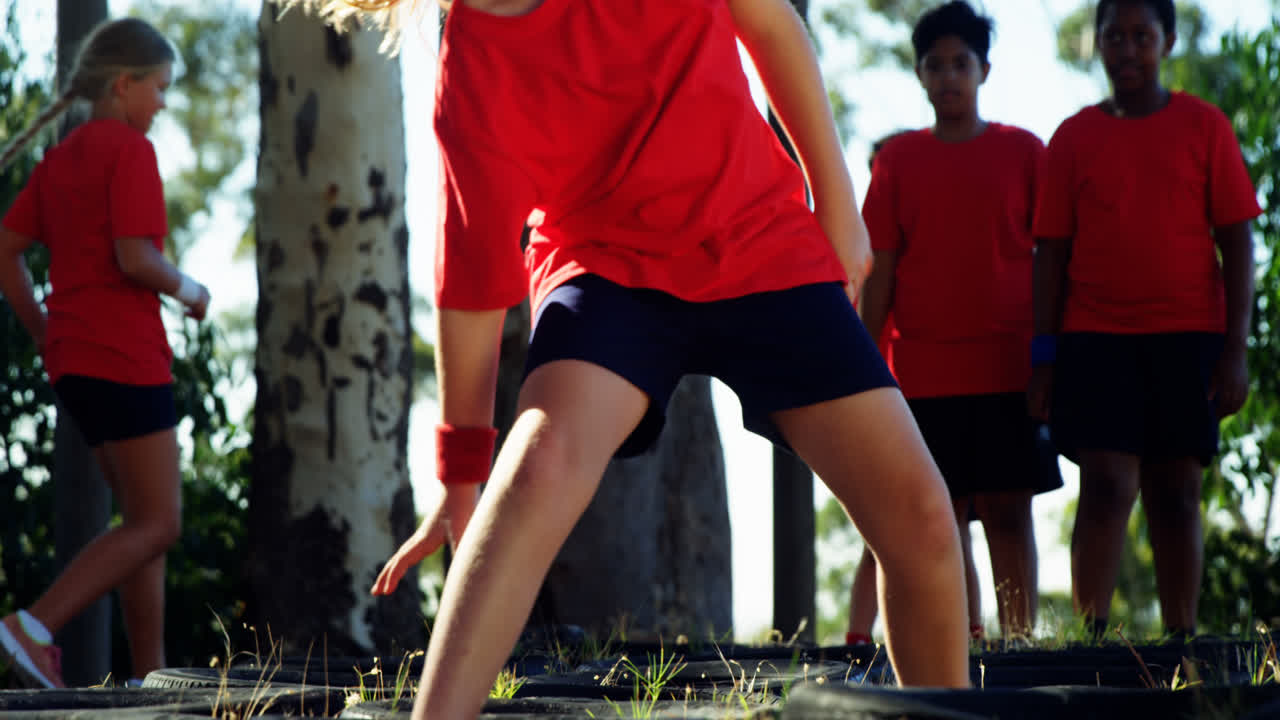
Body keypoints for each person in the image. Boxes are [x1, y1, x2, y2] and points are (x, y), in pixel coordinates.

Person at [320, 0, 973, 715]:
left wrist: (837, 205)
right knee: (539, 465)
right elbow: (472, 283)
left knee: (920, 515)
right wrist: (460, 472)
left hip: (756, 236)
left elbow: (770, 24)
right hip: (605, 270)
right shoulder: (472, 68)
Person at [1030, 0, 1259, 639]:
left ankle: (1182, 644)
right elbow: (1050, 251)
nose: (1127, 49)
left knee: (1177, 493)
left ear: (1168, 40)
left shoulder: (1204, 126)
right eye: (1113, 36)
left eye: (1141, 35)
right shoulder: (1073, 136)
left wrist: (1234, 349)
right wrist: (1043, 357)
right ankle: (1089, 643)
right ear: (1095, 45)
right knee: (1104, 486)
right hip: (1096, 340)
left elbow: (1238, 240)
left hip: (1189, 339)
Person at [0, 18, 210, 688]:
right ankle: (30, 627)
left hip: (75, 366)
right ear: (124, 86)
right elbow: (135, 256)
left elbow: (5, 252)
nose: (163, 103)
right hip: (125, 358)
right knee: (160, 523)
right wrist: (192, 289)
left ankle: (151, 678)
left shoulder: (60, 159)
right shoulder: (130, 151)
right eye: (158, 88)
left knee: (139, 525)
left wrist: (41, 327)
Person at [855, 0, 1063, 643]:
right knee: (937, 515)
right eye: (935, 65)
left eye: (961, 64)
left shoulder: (1026, 152)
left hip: (1008, 364)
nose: (949, 76)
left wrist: (1048, 358)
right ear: (919, 74)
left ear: (985, 70)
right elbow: (880, 272)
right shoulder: (896, 164)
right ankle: (955, 644)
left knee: (1008, 511)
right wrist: (861, 366)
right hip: (920, 374)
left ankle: (1021, 645)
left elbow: (1052, 259)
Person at [845, 129, 987, 646]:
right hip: (884, 394)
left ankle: (969, 633)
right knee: (875, 533)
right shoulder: (855, 239)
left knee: (953, 519)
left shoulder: (923, 236)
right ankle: (857, 639)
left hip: (924, 388)